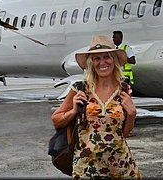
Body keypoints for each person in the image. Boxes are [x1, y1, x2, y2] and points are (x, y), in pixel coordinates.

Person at [51, 35, 141, 179]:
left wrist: (132, 114)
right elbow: (56, 119)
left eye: (106, 57)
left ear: (114, 60)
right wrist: (73, 111)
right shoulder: (80, 89)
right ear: (91, 63)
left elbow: (123, 134)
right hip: (87, 167)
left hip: (120, 165)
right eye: (97, 58)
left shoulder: (123, 89)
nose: (102, 62)